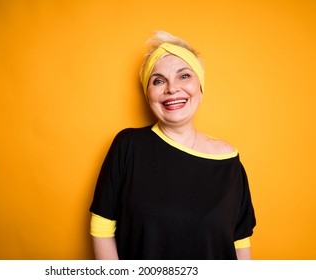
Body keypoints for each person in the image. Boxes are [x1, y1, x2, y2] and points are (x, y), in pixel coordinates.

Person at [89, 31, 256, 260]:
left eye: (184, 76)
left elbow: (240, 241)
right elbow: (102, 227)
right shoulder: (128, 146)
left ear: (200, 86)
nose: (171, 88)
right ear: (149, 95)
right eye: (158, 80)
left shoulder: (229, 161)